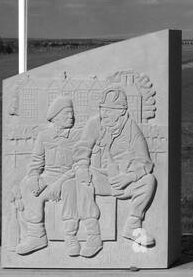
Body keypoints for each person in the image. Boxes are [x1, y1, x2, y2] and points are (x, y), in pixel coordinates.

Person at [13, 96, 96, 256]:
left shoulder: (78, 136)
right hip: (48, 176)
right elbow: (36, 161)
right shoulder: (44, 137)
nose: (71, 117)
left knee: (69, 187)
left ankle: (70, 237)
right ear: (55, 117)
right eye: (66, 114)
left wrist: (61, 181)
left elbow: (80, 163)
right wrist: (34, 176)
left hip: (69, 176)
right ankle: (36, 236)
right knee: (26, 185)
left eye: (71, 113)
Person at [75, 87, 157, 248]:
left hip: (123, 181)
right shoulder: (94, 123)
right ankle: (92, 233)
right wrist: (84, 167)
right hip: (98, 177)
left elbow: (145, 161)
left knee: (149, 180)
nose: (104, 114)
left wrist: (130, 177)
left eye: (110, 110)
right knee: (81, 175)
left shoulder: (131, 128)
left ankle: (133, 226)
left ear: (121, 111)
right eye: (102, 109)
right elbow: (82, 150)